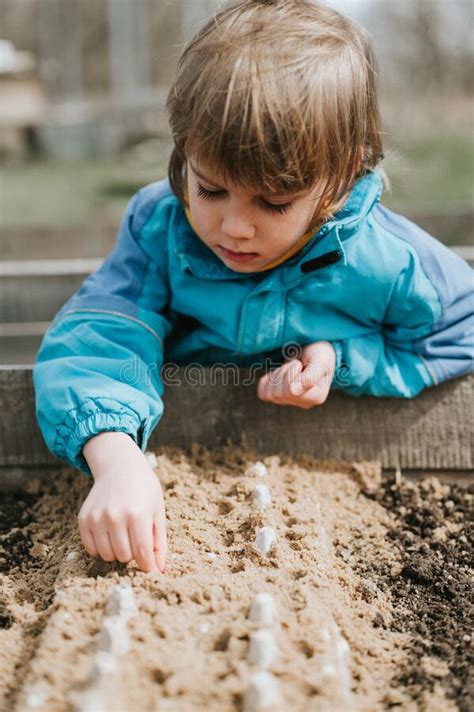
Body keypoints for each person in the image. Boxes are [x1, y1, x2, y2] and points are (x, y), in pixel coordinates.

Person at [33, 0, 473, 574]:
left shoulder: (389, 260)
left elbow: (460, 329)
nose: (234, 227)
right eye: (210, 189)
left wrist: (342, 358)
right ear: (183, 151)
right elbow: (99, 334)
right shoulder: (158, 229)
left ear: (342, 177)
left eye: (273, 202)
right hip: (172, 445)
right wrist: (116, 458)